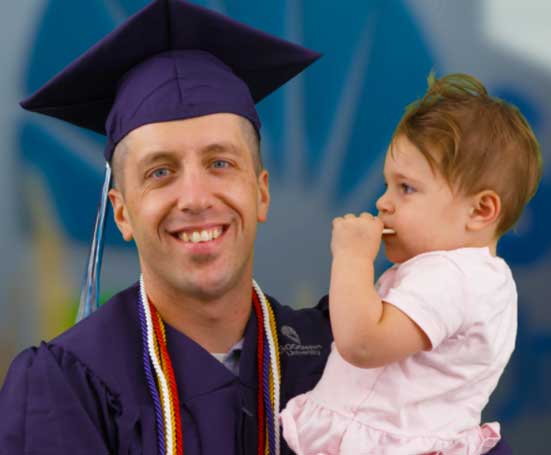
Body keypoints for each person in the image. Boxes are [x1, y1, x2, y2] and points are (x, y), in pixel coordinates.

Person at [0, 1, 333, 454]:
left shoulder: (334, 358)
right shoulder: (67, 388)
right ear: (121, 212)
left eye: (220, 162)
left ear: (262, 192)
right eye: (160, 171)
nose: (195, 198)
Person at [280, 73, 542, 454]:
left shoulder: (453, 277)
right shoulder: (477, 277)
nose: (383, 203)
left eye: (406, 188)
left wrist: (352, 257)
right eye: (388, 185)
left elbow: (363, 344)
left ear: (480, 210)